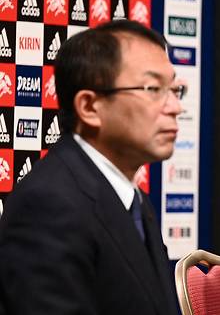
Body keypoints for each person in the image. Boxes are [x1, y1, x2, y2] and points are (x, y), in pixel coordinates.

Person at [0, 20, 184, 314]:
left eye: (175, 90)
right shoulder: (49, 204)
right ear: (89, 107)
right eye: (153, 89)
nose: (175, 107)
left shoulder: (132, 199)